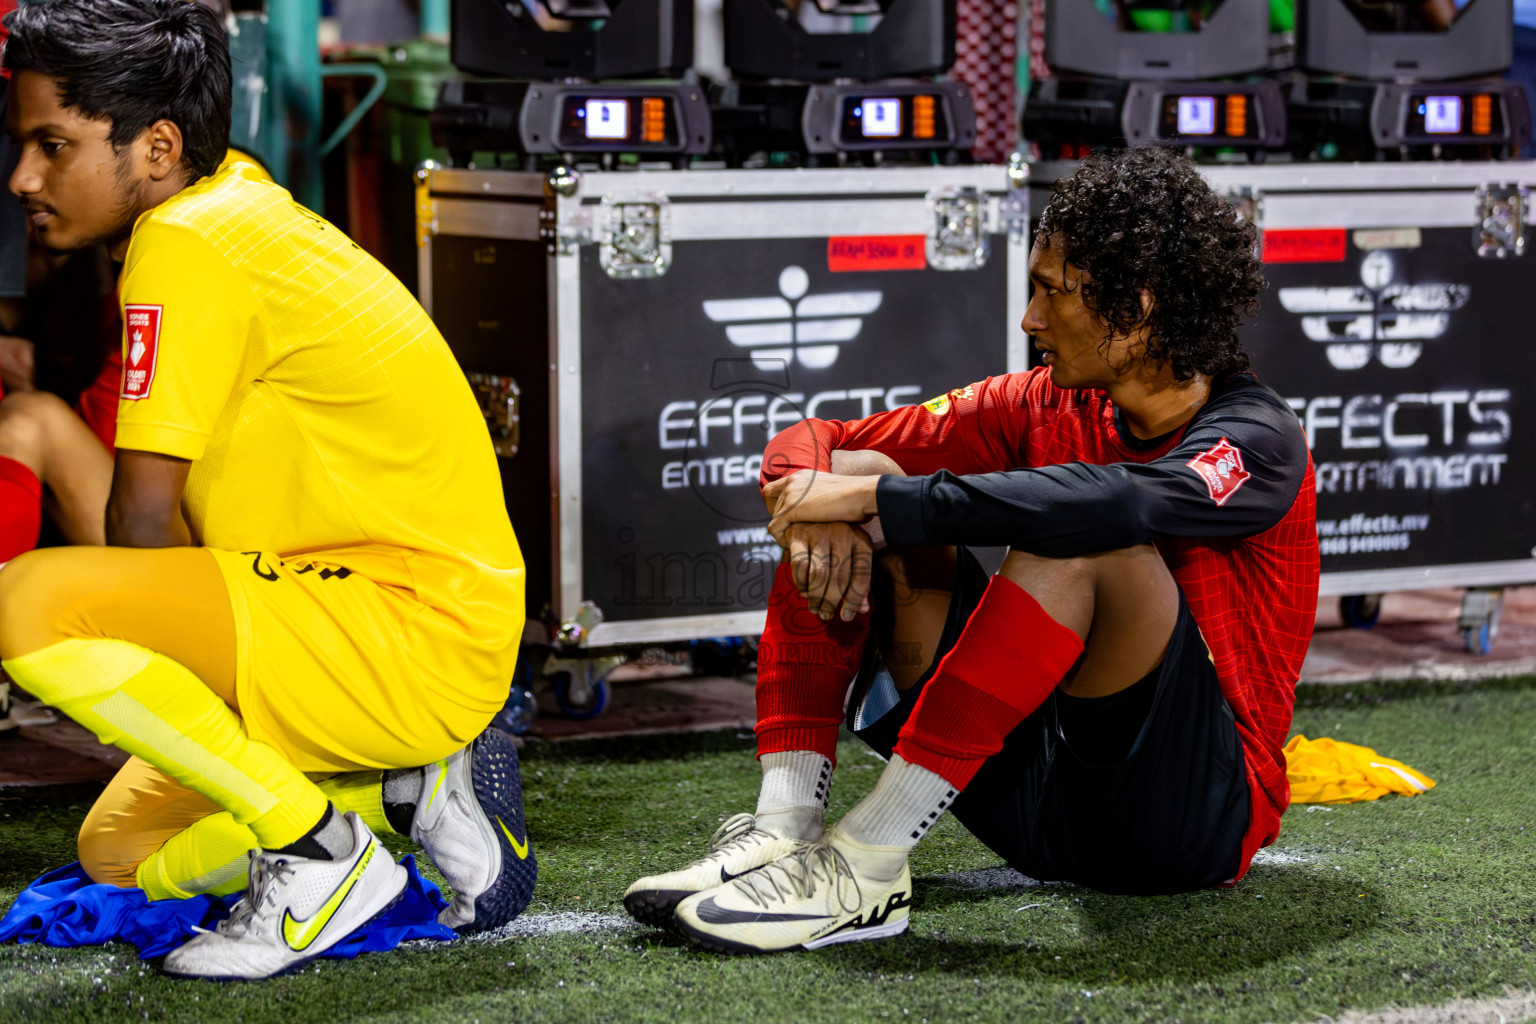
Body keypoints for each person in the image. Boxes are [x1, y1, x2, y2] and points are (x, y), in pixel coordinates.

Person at [624, 145, 1319, 953]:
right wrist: (826, 497)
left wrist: (883, 502)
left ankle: (869, 861)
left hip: (1188, 825)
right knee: (853, 474)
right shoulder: (1040, 400)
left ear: (1136, 307)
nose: (1030, 319)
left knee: (1082, 530)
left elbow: (1122, 500)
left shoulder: (1258, 440)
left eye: (1052, 292)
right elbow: (820, 447)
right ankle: (787, 828)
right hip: (1043, 811)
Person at [0, 0, 534, 978]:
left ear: (157, 146)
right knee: (115, 857)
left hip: (400, 625)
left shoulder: (191, 241)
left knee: (26, 607)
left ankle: (319, 853)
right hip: (365, 615)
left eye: (51, 144)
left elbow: (141, 519)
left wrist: (116, 664)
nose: (22, 177)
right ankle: (397, 793)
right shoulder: (228, 199)